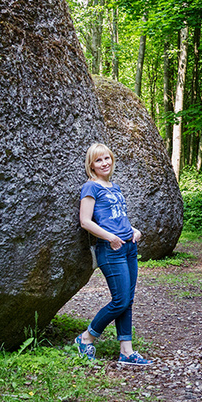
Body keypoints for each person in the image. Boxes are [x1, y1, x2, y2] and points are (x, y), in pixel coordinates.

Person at [75, 142, 152, 366]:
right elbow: (85, 221)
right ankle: (86, 338)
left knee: (128, 300)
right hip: (111, 250)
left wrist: (133, 230)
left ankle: (126, 352)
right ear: (91, 165)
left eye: (107, 158)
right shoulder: (91, 187)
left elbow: (117, 217)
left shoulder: (114, 187)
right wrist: (110, 237)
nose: (104, 163)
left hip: (129, 247)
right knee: (119, 301)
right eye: (98, 160)